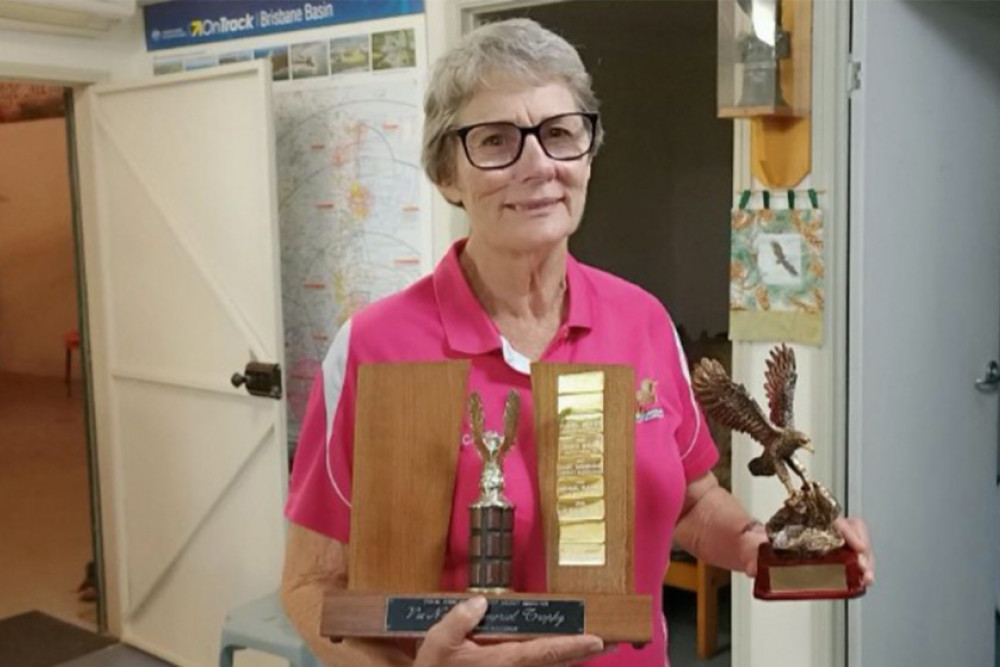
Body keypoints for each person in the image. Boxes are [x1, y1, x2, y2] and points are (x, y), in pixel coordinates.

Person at [281, 18, 875, 667]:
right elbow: (312, 583)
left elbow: (692, 502)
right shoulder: (375, 345)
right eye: (496, 139)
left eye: (560, 133)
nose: (538, 164)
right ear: (447, 173)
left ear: (587, 154)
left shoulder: (643, 320)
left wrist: (777, 546)